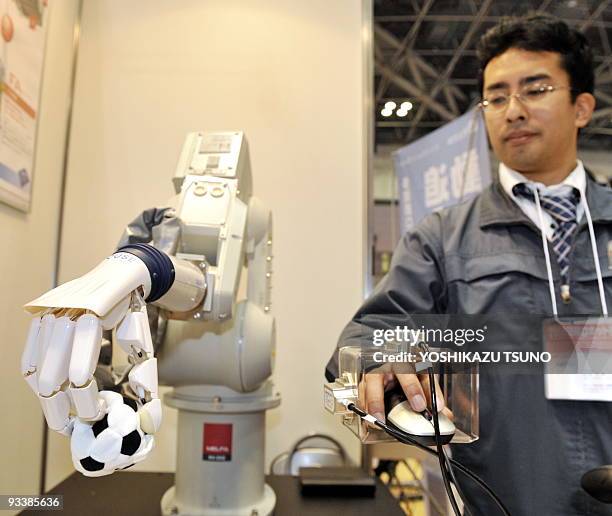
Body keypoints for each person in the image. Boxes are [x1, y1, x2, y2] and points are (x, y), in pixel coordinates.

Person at [326, 14, 612, 516]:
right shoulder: (445, 239)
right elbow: (369, 333)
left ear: (582, 107)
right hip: (504, 502)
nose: (513, 110)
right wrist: (382, 361)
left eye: (535, 89)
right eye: (496, 97)